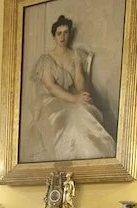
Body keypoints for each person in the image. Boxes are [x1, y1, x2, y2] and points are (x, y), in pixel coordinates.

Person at [25, 14, 116, 163]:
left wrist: (80, 94)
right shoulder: (46, 59)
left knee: (83, 110)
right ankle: (68, 159)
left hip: (72, 94)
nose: (62, 37)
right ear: (54, 36)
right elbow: (51, 86)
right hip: (52, 99)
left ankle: (93, 157)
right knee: (66, 118)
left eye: (66, 33)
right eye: (59, 33)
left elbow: (79, 78)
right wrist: (73, 98)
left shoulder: (74, 55)